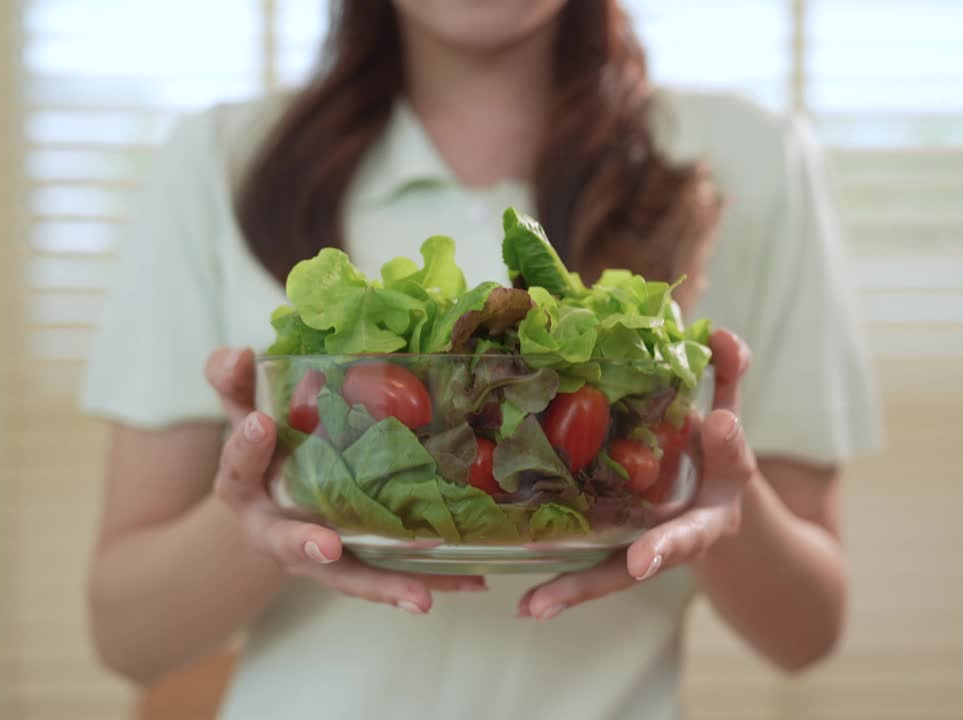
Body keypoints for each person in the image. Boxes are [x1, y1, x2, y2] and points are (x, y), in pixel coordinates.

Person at [81, 1, 882, 718]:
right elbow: (126, 636)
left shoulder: (754, 160)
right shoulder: (219, 159)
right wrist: (278, 496)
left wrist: (715, 500)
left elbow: (808, 632)